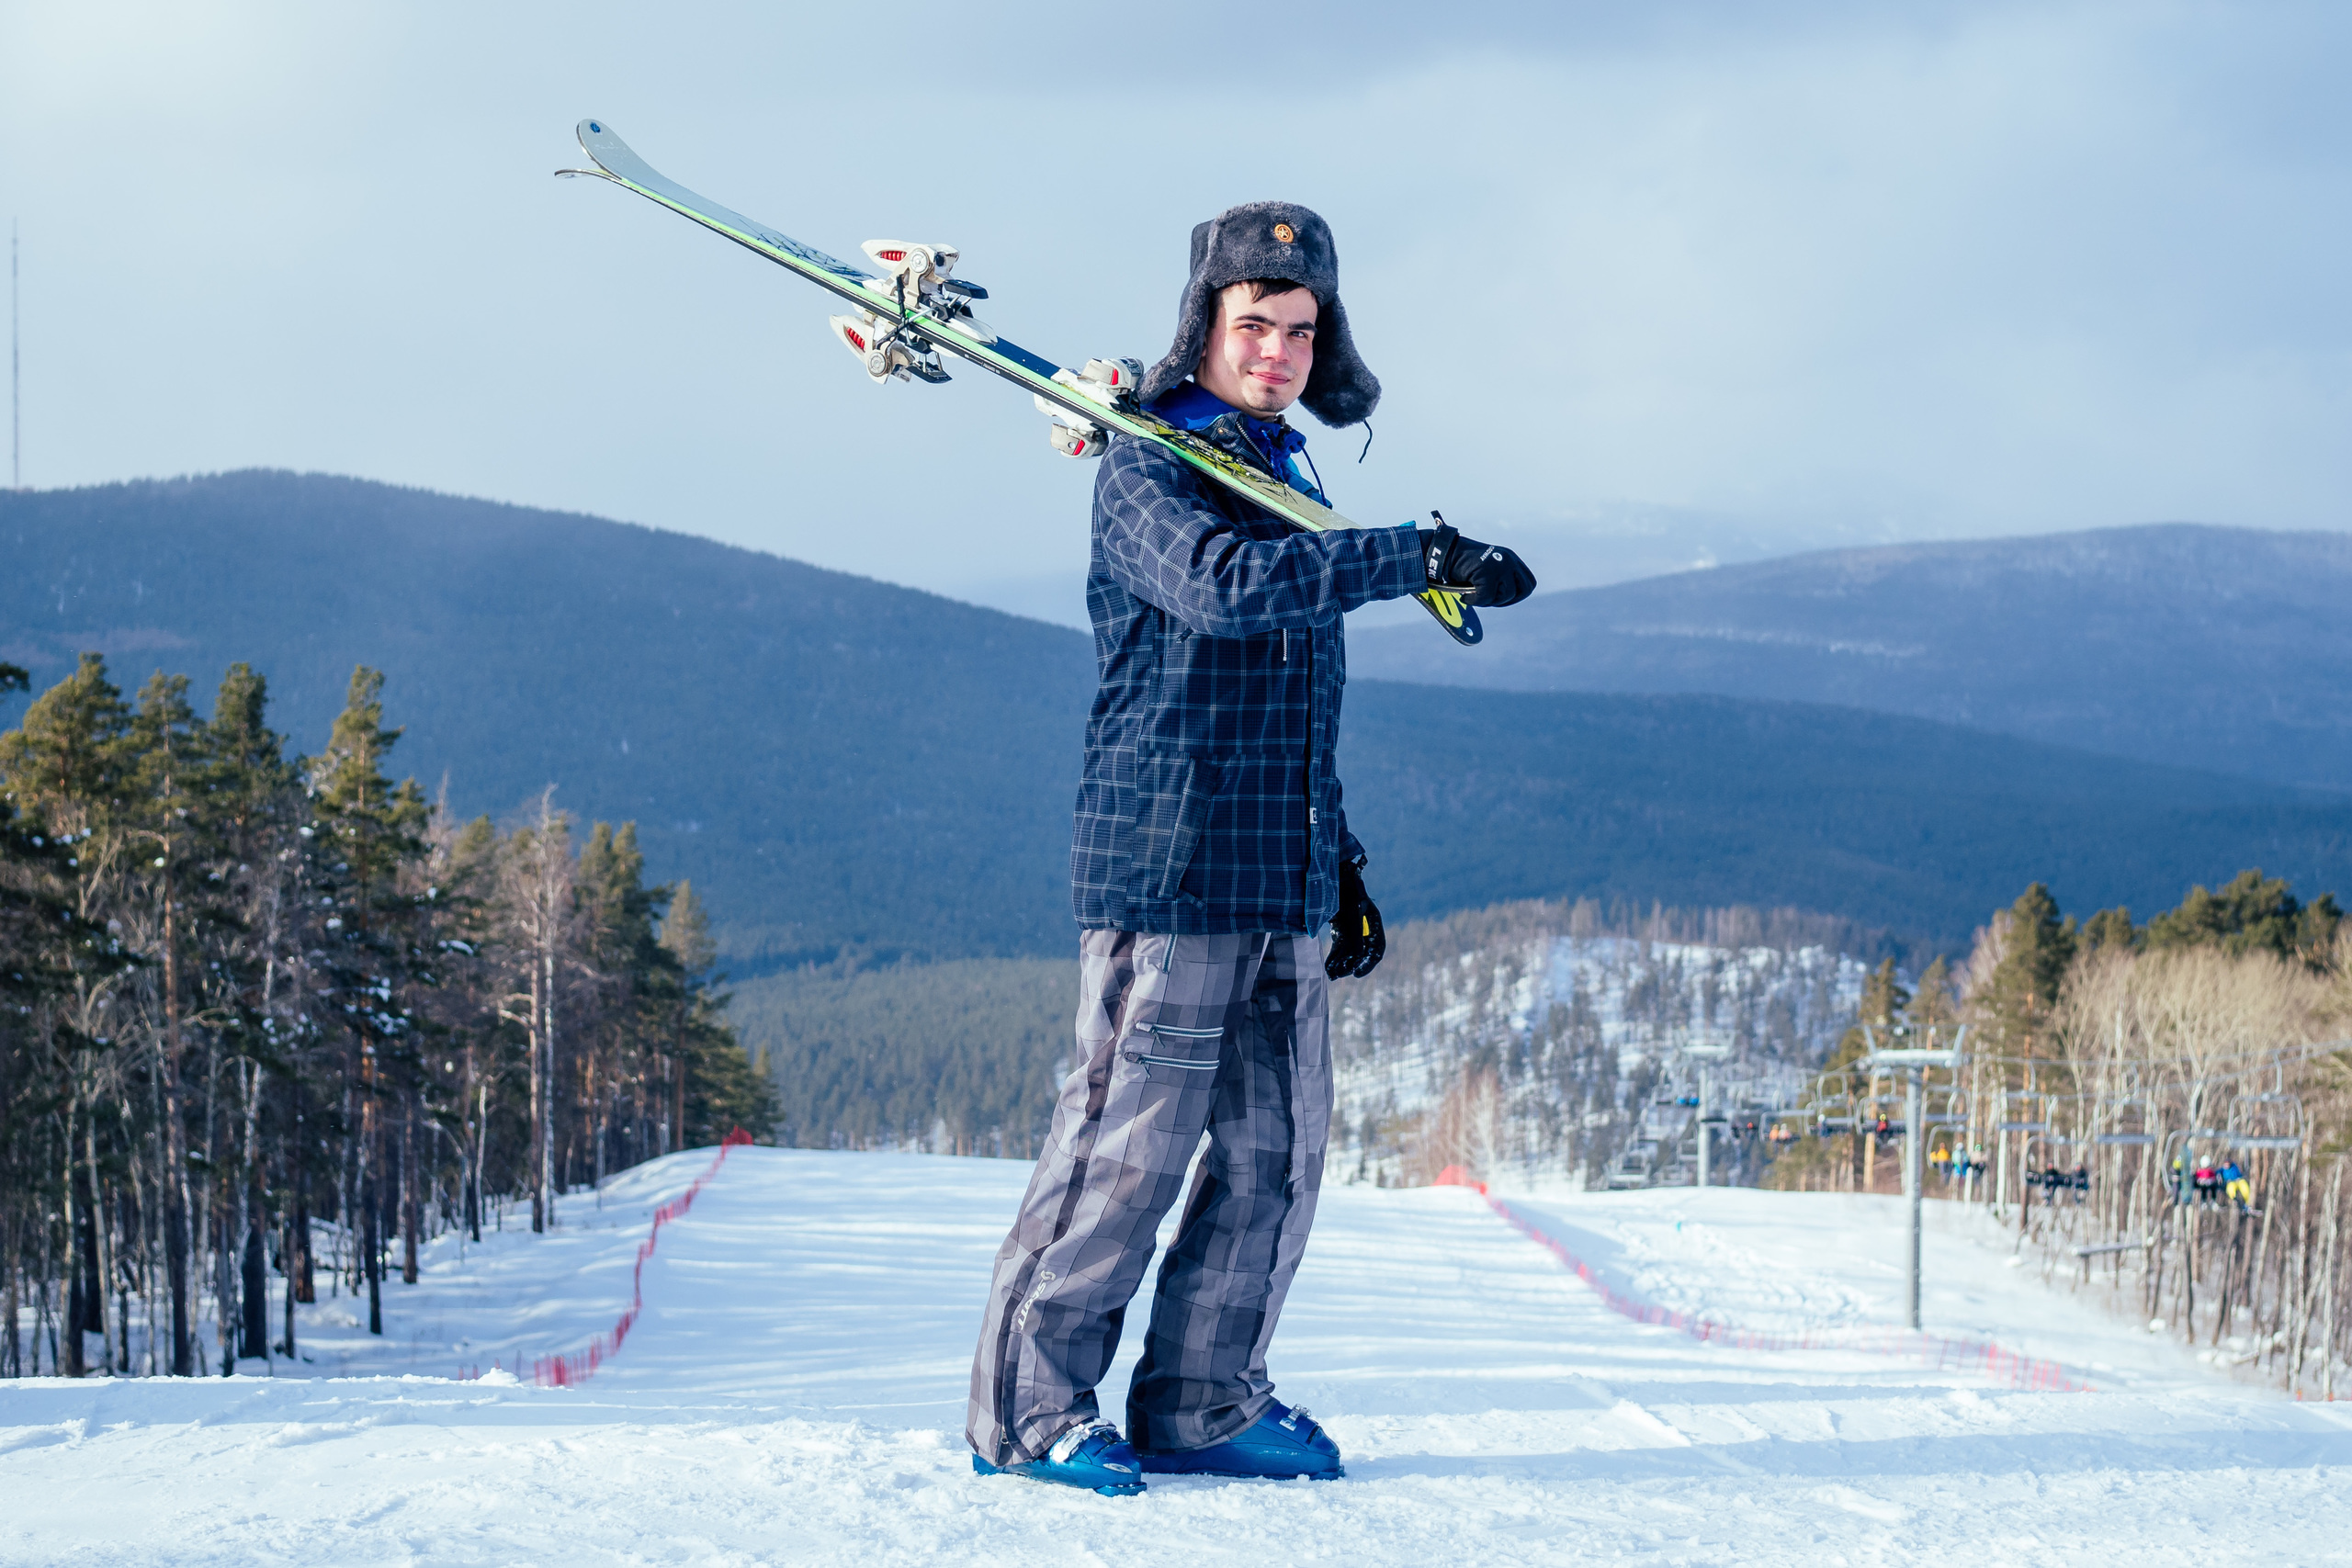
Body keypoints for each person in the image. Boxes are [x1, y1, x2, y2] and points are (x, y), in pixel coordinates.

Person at [965, 201, 1537, 1496]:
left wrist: (1338, 861)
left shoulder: (1283, 472)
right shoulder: (1148, 462)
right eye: (1252, 324)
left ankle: (1204, 1402)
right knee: (1126, 1149)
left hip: (1275, 875)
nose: (1276, 350)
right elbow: (1225, 588)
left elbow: (1297, 693)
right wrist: (1413, 555)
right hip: (1167, 869)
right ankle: (1030, 1409)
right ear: (1204, 325)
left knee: (1278, 1154)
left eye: (1298, 329)